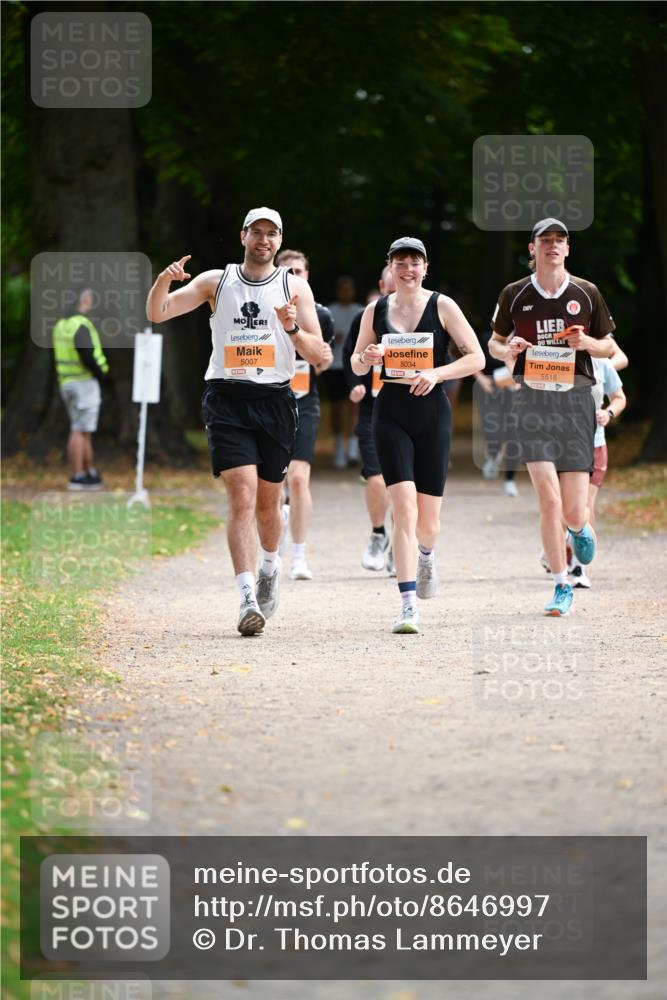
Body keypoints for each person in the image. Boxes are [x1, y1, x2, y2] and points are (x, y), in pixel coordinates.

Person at [146, 208, 325, 636]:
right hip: (227, 399)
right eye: (257, 232)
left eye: (272, 234)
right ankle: (247, 597)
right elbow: (159, 313)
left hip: (276, 402)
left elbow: (321, 355)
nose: (264, 240)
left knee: (269, 504)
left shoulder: (294, 286)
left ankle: (269, 567)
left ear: (279, 241)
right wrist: (161, 282)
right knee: (242, 497)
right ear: (243, 235)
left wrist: (293, 329)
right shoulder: (216, 280)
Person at [352, 237, 484, 634]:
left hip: (432, 417)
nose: (408, 270)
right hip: (389, 414)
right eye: (400, 262)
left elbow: (476, 357)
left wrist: (437, 373)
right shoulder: (374, 311)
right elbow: (357, 365)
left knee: (428, 522)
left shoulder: (442, 306)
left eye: (415, 263)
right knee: (403, 510)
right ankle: (407, 605)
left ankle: (427, 555)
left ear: (425, 268)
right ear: (389, 267)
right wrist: (368, 358)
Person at [489, 217, 617, 617]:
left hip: (576, 403)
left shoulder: (586, 292)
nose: (553, 246)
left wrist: (587, 342)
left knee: (573, 510)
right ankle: (562, 584)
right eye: (545, 240)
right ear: (532, 248)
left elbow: (609, 347)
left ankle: (578, 529)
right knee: (548, 500)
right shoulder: (514, 294)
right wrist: (509, 348)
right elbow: (493, 343)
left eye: (560, 240)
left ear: (568, 249)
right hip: (533, 401)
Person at [274, 248, 334, 581]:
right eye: (287, 272)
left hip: (304, 401)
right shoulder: (262, 309)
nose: (294, 277)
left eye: (299, 271)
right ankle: (274, 538)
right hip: (269, 401)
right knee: (274, 482)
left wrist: (317, 356)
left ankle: (299, 555)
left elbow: (324, 362)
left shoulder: (320, 315)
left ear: (307, 276)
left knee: (298, 478)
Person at [343, 264, 395, 574]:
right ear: (381, 285)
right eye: (389, 289)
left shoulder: (424, 313)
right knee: (377, 478)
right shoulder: (369, 316)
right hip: (372, 411)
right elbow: (350, 354)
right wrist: (355, 383)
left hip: (409, 409)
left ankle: (399, 548)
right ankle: (378, 533)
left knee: (405, 485)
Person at [568, 347, 627, 587]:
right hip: (566, 444)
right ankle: (559, 545)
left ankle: (578, 568)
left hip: (595, 443)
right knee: (567, 507)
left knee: (585, 506)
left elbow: (619, 397)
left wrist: (608, 413)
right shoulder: (560, 359)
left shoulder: (602, 363)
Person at [53, 288, 111, 490]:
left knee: (83, 429)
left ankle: (89, 472)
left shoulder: (61, 325)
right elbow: (87, 355)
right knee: (79, 429)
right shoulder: (81, 325)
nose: (91, 302)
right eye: (89, 298)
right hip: (83, 382)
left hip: (67, 382)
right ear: (82, 300)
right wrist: (101, 375)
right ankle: (78, 475)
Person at [474, 329, 520, 497]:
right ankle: (493, 455)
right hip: (490, 390)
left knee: (513, 435)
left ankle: (509, 480)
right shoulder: (487, 339)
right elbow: (471, 357)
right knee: (492, 430)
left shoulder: (524, 338)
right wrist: (481, 378)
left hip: (515, 393)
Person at [325, 275, 363, 468]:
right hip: (334, 366)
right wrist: (334, 340)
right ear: (338, 291)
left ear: (353, 291)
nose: (346, 293)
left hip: (354, 366)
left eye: (349, 289)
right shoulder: (330, 311)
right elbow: (323, 341)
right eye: (343, 289)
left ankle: (353, 450)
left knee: (355, 407)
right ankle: (339, 448)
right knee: (337, 410)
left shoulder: (360, 311)